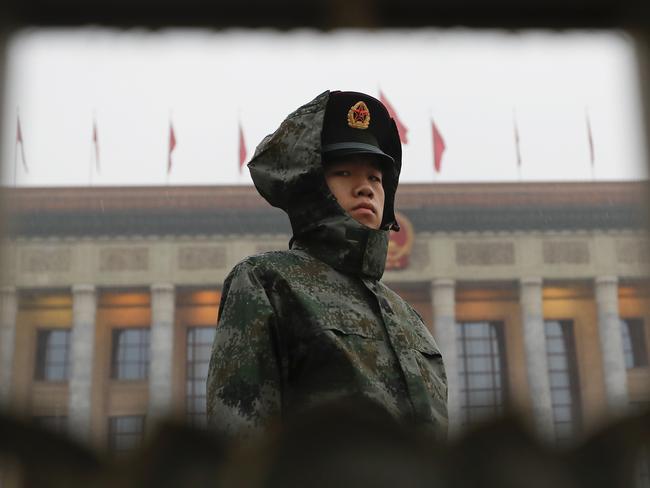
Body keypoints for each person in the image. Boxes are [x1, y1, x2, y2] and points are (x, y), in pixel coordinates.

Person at [207, 90, 448, 440]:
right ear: (312, 185)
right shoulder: (269, 281)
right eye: (345, 172)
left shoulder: (409, 320)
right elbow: (240, 439)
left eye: (375, 179)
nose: (365, 188)